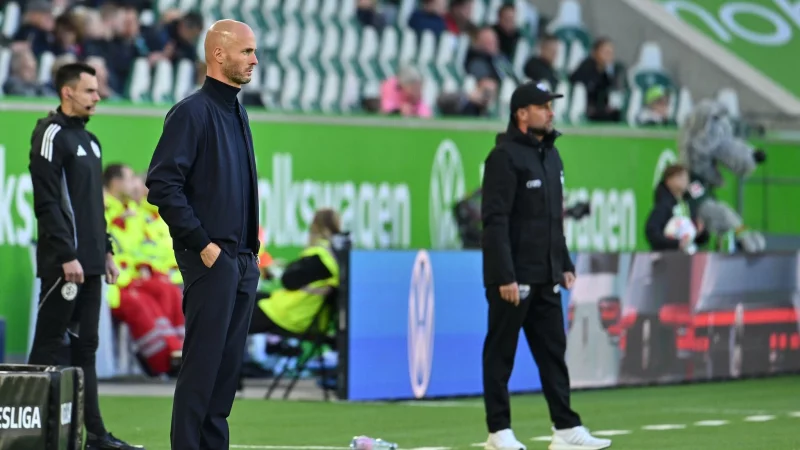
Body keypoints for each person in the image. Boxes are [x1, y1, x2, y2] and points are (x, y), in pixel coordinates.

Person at [145, 19, 260, 450]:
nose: (254, 60)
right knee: (201, 374)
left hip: (241, 263)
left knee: (225, 378)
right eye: (246, 51)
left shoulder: (238, 110)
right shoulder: (192, 111)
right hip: (213, 261)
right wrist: (203, 245)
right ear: (218, 54)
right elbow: (162, 184)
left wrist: (250, 256)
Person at [480, 82, 611, 450]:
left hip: (546, 275)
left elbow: (553, 220)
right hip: (513, 278)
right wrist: (504, 274)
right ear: (522, 114)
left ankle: (566, 429)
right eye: (543, 107)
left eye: (551, 106)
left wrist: (564, 263)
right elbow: (495, 222)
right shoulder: (504, 157)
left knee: (553, 354)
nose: (551, 112)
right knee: (500, 354)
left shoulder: (552, 156)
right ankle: (498, 432)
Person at [27, 62, 142, 450]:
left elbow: (93, 208)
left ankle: (94, 434)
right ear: (67, 92)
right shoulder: (50, 134)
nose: (98, 97)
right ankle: (25, 431)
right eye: (90, 90)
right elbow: (47, 201)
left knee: (85, 350)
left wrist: (105, 251)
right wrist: (66, 255)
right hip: (66, 266)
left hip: (91, 265)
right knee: (47, 345)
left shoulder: (91, 142)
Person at [645, 163, 709, 252]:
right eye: (679, 176)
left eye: (686, 177)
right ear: (668, 180)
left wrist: (701, 232)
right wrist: (675, 243)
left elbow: (698, 238)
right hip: (669, 257)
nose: (684, 180)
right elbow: (651, 231)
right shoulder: (664, 205)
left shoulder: (689, 204)